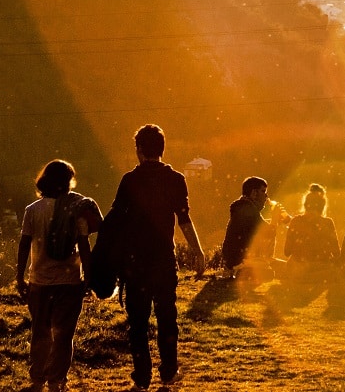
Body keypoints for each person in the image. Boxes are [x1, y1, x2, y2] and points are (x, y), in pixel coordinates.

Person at [109, 124, 206, 390]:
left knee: (138, 322)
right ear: (162, 149)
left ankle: (142, 377)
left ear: (138, 150)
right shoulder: (175, 179)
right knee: (166, 317)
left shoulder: (130, 180)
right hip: (163, 260)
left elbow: (115, 219)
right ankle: (169, 371)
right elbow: (183, 219)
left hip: (135, 262)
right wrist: (197, 251)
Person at [16, 160, 102, 392]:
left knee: (40, 332)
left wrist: (19, 277)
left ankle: (37, 378)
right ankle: (56, 381)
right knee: (64, 335)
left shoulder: (32, 210)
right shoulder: (76, 210)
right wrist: (88, 277)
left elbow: (24, 245)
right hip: (70, 282)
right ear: (68, 182)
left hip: (40, 281)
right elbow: (84, 246)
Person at [221, 176, 289, 279]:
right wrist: (274, 217)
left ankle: (242, 271)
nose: (266, 196)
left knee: (286, 268)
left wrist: (275, 220)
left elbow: (260, 226)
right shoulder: (247, 209)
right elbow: (268, 233)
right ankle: (242, 272)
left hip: (239, 259)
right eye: (263, 191)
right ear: (254, 193)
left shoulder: (244, 208)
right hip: (242, 260)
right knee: (275, 272)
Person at [282, 183, 339, 283]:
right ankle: (313, 277)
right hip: (320, 268)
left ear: (305, 204)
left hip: (298, 268)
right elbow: (336, 253)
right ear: (322, 205)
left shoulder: (295, 221)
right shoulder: (328, 223)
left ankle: (304, 277)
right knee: (335, 270)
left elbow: (287, 252)